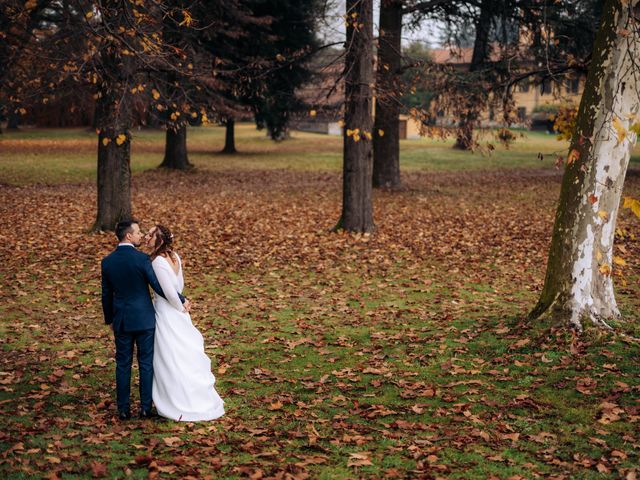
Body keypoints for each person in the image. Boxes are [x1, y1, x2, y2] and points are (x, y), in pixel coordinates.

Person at [101, 220, 189, 420]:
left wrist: (110, 319)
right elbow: (157, 285)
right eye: (138, 232)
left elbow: (106, 294)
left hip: (122, 320)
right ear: (129, 236)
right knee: (145, 363)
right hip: (144, 320)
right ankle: (144, 408)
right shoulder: (142, 260)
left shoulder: (108, 261)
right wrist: (182, 299)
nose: (141, 235)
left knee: (122, 363)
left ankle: (123, 409)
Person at [145, 224, 225, 421]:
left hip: (168, 312)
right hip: (179, 311)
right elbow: (179, 286)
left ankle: (177, 400)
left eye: (150, 235)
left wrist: (181, 305)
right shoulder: (175, 257)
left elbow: (170, 293)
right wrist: (183, 303)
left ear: (160, 240)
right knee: (180, 352)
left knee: (171, 355)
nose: (146, 237)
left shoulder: (157, 262)